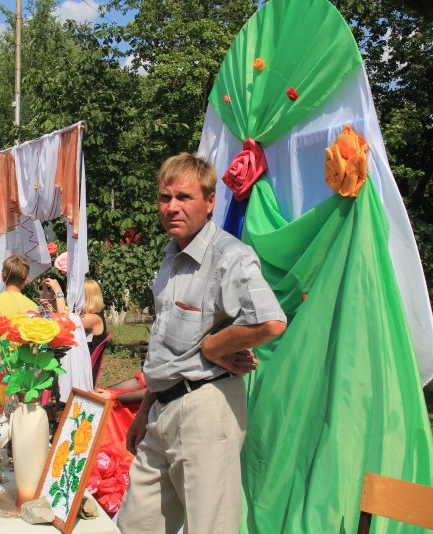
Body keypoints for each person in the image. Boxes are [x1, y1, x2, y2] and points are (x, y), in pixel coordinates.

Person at [117, 153, 287, 534]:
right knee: (134, 525)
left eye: (184, 197)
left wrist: (214, 347)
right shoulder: (171, 257)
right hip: (161, 408)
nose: (172, 207)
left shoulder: (229, 256)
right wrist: (144, 410)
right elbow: (165, 344)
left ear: (210, 202)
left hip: (204, 407)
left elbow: (271, 321)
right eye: (165, 197)